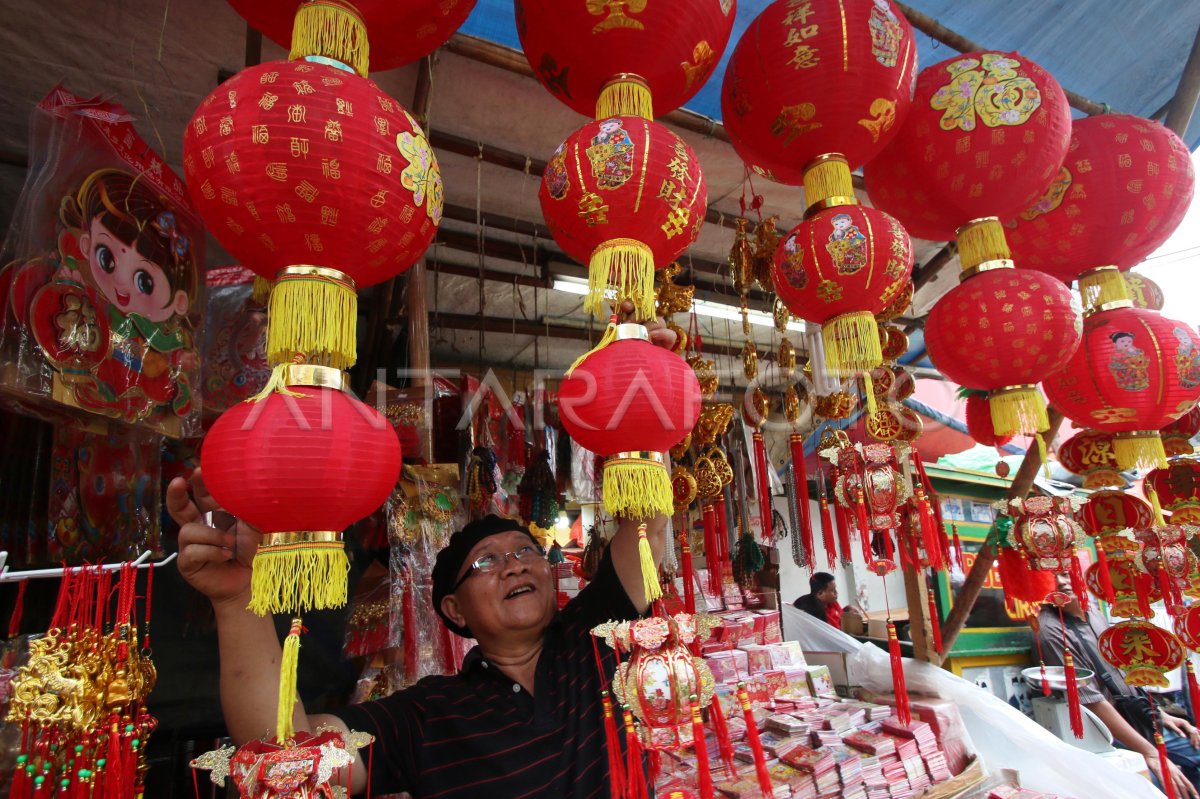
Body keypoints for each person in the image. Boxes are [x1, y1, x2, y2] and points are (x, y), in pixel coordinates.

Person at [1035, 572, 1200, 798]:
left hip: (1141, 716)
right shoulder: (1051, 631)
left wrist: (1162, 715)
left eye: (1066, 574)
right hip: (1115, 732)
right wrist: (1151, 753)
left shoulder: (1094, 613)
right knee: (1157, 785)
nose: (1062, 582)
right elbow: (1092, 702)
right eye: (1053, 579)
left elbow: (1125, 673)